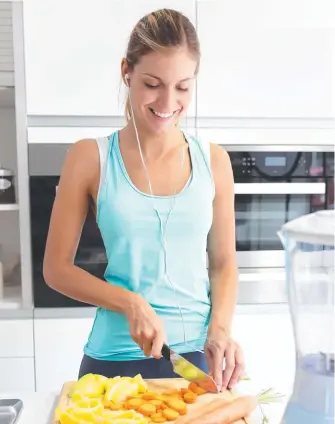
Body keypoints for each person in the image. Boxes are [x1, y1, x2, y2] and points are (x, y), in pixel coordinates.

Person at [43, 8, 244, 392]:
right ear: (127, 72)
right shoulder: (90, 157)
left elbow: (223, 264)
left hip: (196, 360)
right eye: (153, 83)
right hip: (113, 359)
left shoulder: (214, 161)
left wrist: (220, 328)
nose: (168, 101)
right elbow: (56, 269)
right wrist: (130, 302)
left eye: (183, 87)